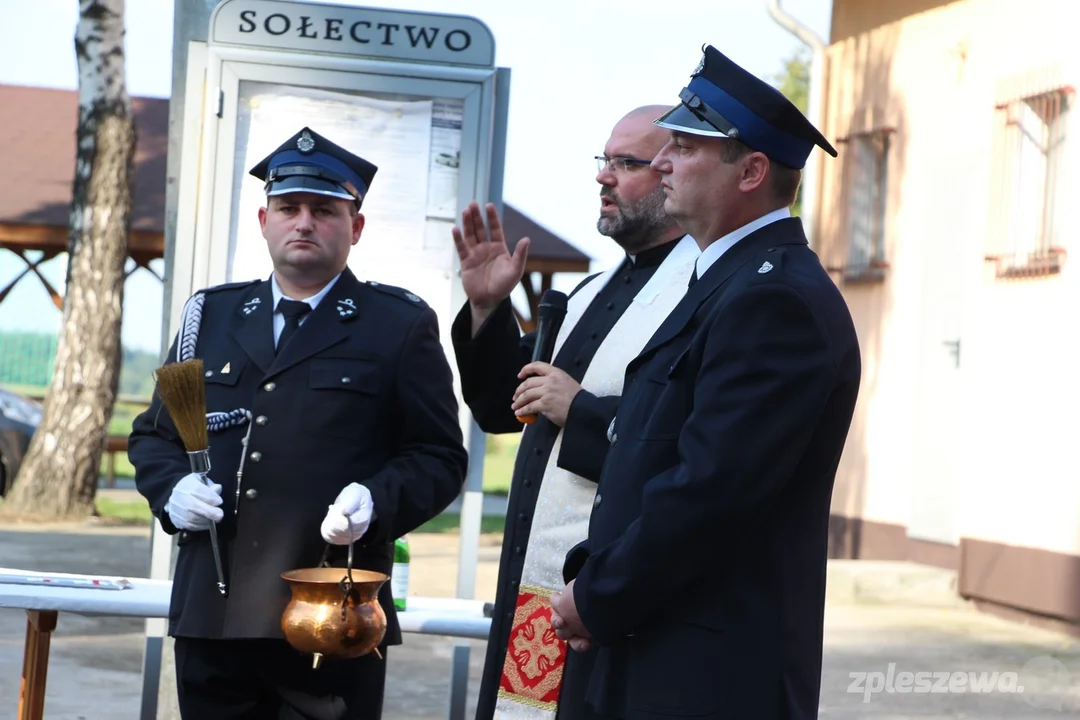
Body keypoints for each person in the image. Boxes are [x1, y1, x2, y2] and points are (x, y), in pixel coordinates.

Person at [550, 45, 862, 719]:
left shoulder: (775, 301)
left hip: (704, 673)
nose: (662, 160)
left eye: (686, 147)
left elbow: (711, 492)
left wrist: (600, 595)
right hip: (655, 646)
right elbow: (653, 457)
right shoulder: (725, 283)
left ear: (750, 171)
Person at [128, 127, 468, 720]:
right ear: (264, 220)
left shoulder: (397, 324)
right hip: (215, 611)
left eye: (324, 210)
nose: (303, 223)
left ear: (355, 227)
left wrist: (376, 499)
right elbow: (156, 435)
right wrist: (170, 488)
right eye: (289, 208)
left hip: (332, 617)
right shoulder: (211, 314)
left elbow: (438, 456)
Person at [450, 106, 699, 719]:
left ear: (672, 173)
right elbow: (503, 411)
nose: (603, 178)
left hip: (614, 591)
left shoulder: (701, 291)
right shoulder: (589, 291)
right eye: (604, 161)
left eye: (626, 163)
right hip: (534, 583)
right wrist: (487, 311)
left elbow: (690, 440)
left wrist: (580, 409)